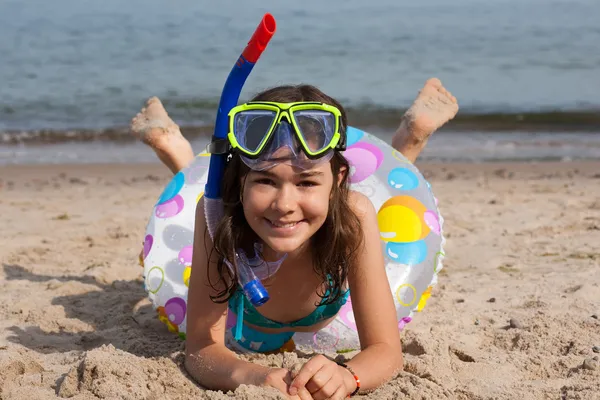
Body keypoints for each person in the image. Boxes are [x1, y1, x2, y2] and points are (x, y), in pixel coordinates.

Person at [131, 79, 458, 399]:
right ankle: (175, 149)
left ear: (337, 180)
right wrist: (256, 376)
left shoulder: (353, 215)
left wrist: (348, 376)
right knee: (205, 187)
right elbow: (202, 349)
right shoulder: (216, 216)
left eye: (306, 182)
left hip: (332, 283)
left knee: (379, 202)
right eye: (265, 180)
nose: (284, 205)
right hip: (244, 320)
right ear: (241, 181)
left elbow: (386, 351)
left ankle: (410, 139)